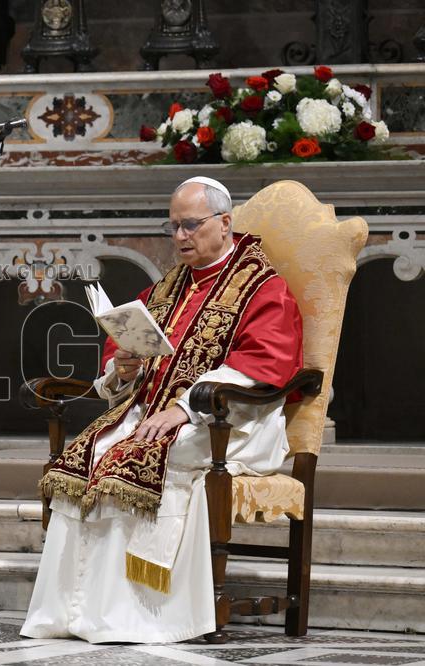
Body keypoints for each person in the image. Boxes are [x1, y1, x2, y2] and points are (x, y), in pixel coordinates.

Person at [21, 176, 303, 643]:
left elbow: (265, 364)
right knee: (90, 453)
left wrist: (186, 409)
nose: (180, 236)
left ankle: (138, 614)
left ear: (224, 223)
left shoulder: (262, 287)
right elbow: (126, 349)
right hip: (154, 411)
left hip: (230, 421)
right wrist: (123, 368)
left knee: (145, 454)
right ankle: (73, 611)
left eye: (190, 225)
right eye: (173, 226)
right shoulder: (169, 287)